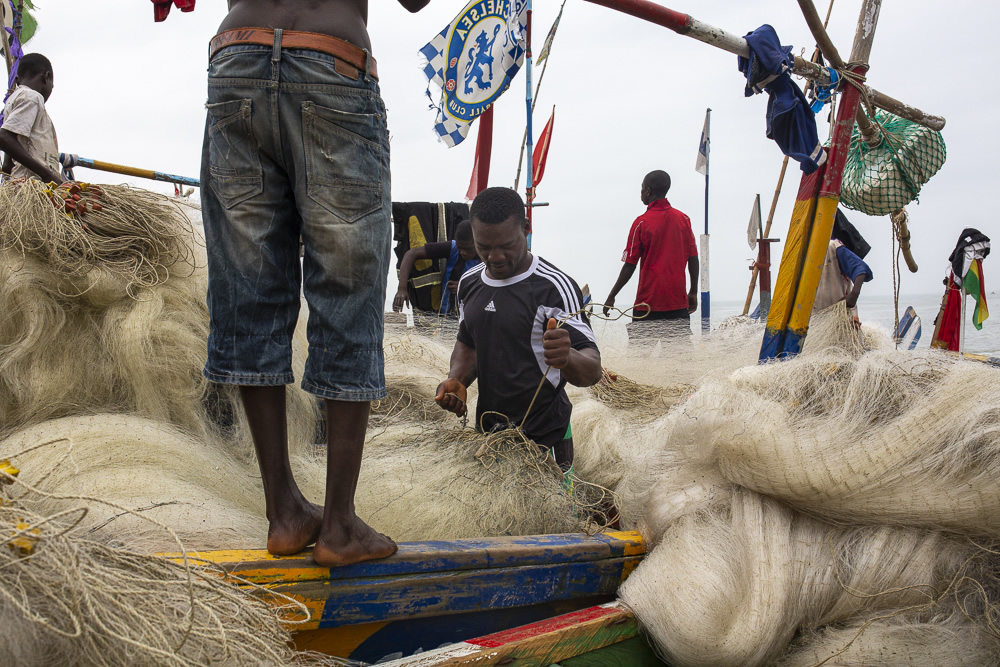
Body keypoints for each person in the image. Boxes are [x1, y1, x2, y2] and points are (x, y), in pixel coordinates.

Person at [200, 0, 429, 568]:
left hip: (237, 61)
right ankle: (340, 526)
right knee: (346, 292)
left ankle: (284, 512)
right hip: (331, 64)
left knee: (247, 291)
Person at [434, 187, 602, 474]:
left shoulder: (554, 287)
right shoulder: (469, 282)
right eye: (483, 247)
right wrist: (457, 379)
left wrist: (568, 357)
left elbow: (593, 370)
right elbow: (468, 342)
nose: (495, 256)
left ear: (525, 229)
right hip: (489, 438)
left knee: (555, 519)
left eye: (506, 245)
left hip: (547, 439)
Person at [602, 170, 697, 338]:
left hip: (647, 305)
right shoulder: (684, 220)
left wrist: (611, 296)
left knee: (640, 358)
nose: (641, 193)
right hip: (678, 304)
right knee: (680, 359)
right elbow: (693, 258)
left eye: (641, 189)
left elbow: (629, 265)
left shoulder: (641, 223)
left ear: (648, 191)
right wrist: (693, 291)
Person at [392, 219, 480, 315]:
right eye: (460, 248)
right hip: (448, 314)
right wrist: (402, 288)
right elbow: (411, 254)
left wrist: (465, 287)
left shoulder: (488, 259)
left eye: (468, 249)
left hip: (476, 313)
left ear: (479, 242)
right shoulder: (453, 248)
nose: (463, 252)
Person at [0, 53, 63, 184]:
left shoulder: (14, 100)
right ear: (47, 77)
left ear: (17, 80)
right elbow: (4, 137)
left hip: (20, 184)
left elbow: (7, 164)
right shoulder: (32, 97)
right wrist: (47, 175)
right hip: (33, 183)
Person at [813, 238, 873, 325]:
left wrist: (854, 294)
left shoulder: (832, 248)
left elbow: (861, 268)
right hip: (815, 324)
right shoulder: (796, 258)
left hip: (842, 320)